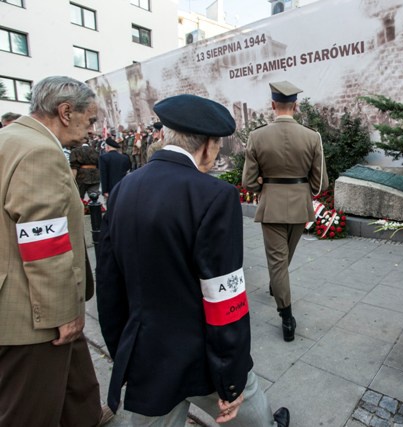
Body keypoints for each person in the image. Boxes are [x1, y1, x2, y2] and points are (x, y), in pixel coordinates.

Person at [96, 94, 290, 427]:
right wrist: (232, 376)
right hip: (201, 353)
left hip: (146, 351)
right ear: (209, 146)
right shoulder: (213, 195)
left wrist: (121, 351)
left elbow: (109, 280)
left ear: (165, 136)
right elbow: (224, 295)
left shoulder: (125, 188)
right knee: (253, 416)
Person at [0, 76, 110, 426]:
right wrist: (63, 312)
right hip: (32, 311)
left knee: (77, 381)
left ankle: (86, 416)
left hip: (19, 288)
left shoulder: (11, 138)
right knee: (30, 408)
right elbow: (43, 243)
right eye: (90, 120)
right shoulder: (40, 152)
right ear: (65, 112)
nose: (92, 130)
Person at [242, 81, 328, 342]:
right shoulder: (312, 137)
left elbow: (248, 181)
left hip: (272, 205)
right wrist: (304, 187)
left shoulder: (257, 136)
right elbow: (321, 183)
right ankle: (283, 305)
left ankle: (286, 314)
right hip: (300, 205)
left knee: (278, 261)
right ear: (296, 106)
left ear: (272, 105)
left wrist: (263, 186)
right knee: (284, 258)